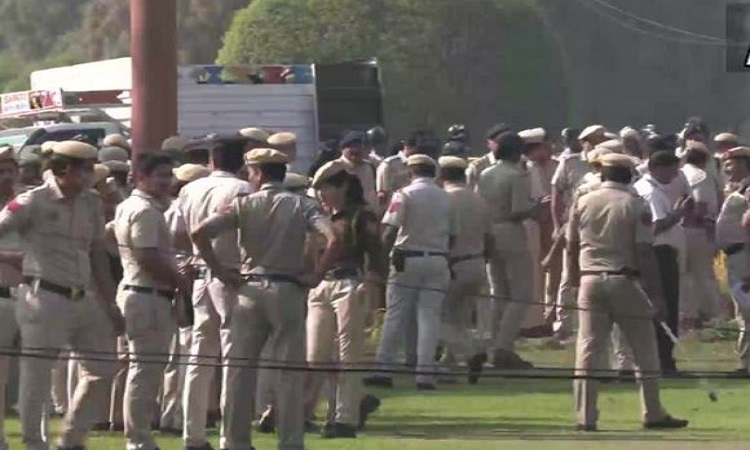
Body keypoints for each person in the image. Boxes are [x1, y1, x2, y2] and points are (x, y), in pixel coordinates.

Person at [191, 147, 339, 450]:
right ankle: (290, 441)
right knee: (289, 373)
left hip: (249, 287)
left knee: (239, 371)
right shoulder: (302, 205)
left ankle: (235, 442)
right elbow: (334, 238)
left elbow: (199, 233)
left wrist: (220, 272)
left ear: (257, 173)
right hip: (287, 289)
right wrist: (317, 274)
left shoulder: (242, 205)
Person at [0, 140, 124, 450]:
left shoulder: (91, 202)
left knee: (104, 368)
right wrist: (12, 259)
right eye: (84, 168)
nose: (90, 175)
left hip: (84, 297)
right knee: (36, 378)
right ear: (64, 168)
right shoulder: (32, 201)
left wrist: (109, 303)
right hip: (44, 298)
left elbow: (97, 253)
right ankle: (34, 443)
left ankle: (70, 439)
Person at [566, 152, 688, 431]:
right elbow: (644, 253)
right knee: (644, 348)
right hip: (626, 281)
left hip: (590, 279)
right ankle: (652, 412)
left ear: (603, 175)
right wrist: (656, 295)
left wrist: (574, 282)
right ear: (630, 175)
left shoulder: (583, 201)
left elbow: (571, 246)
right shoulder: (635, 204)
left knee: (588, 349)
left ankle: (586, 416)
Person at [304, 161, 387, 438]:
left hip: (350, 283)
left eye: (325, 188)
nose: (321, 195)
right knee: (316, 355)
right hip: (321, 287)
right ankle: (346, 405)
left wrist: (372, 285)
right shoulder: (322, 217)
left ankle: (343, 418)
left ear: (342, 187)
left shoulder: (361, 216)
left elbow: (377, 254)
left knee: (348, 355)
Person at [179, 138, 253, 450]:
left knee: (199, 358)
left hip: (199, 273)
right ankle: (230, 438)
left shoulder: (189, 189)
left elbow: (178, 232)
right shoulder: (244, 190)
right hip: (230, 273)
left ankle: (192, 433)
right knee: (233, 359)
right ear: (242, 163)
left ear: (212, 161)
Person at [113, 152, 190, 450]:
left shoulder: (132, 206)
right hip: (147, 295)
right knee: (145, 371)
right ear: (141, 177)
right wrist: (178, 280)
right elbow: (147, 256)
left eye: (168, 175)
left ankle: (139, 435)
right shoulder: (144, 210)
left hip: (141, 291)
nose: (166, 181)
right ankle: (139, 439)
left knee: (145, 369)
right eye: (160, 175)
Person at [365, 154, 457, 390]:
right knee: (429, 317)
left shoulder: (403, 194)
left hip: (406, 259)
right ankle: (425, 374)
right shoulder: (446, 198)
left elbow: (390, 230)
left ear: (410, 171)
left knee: (396, 314)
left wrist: (378, 263)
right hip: (438, 258)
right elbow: (453, 235)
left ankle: (384, 368)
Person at [477, 132, 539, 369]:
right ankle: (503, 346)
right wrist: (535, 209)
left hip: (489, 231)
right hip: (511, 231)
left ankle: (493, 344)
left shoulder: (485, 173)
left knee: (499, 291)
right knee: (521, 293)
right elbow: (518, 209)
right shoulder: (516, 175)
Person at [633, 151, 692, 373]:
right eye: (672, 170)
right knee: (665, 305)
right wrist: (678, 214)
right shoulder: (651, 192)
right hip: (660, 254)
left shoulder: (648, 188)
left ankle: (660, 358)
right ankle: (664, 360)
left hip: (659, 253)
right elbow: (655, 227)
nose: (675, 175)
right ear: (658, 168)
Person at [436, 155, 492, 384]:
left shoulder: (444, 200)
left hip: (454, 263)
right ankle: (449, 366)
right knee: (459, 318)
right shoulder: (478, 200)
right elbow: (490, 237)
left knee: (439, 317)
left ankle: (470, 353)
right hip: (477, 262)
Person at [548, 127, 590, 339]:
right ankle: (563, 323)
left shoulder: (610, 162)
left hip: (596, 226)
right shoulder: (569, 162)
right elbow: (556, 195)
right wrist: (557, 226)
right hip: (572, 224)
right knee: (568, 274)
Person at [679, 142, 724, 324]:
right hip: (697, 229)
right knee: (703, 274)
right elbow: (700, 206)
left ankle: (688, 313)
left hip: (679, 229)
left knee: (685, 275)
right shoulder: (701, 176)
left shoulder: (680, 174)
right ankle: (710, 314)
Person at [716, 146, 750, 372]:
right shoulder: (737, 188)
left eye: (732, 163)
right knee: (743, 313)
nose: (727, 168)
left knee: (748, 311)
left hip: (744, 254)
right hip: (735, 255)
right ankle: (745, 362)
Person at [0, 147, 25, 450]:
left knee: (35, 374)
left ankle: (39, 437)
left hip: (34, 296)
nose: (6, 177)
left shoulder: (27, 204)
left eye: (10, 170)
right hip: (2, 296)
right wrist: (15, 258)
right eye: (0, 171)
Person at [336, 131, 379, 214]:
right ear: (342, 148)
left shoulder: (370, 167)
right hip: (343, 217)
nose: (356, 150)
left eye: (360, 146)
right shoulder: (334, 167)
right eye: (352, 147)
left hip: (368, 216)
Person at [466, 123, 511, 191]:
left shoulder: (519, 163)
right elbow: (469, 191)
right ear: (489, 143)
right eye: (498, 142)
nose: (504, 145)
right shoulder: (478, 166)